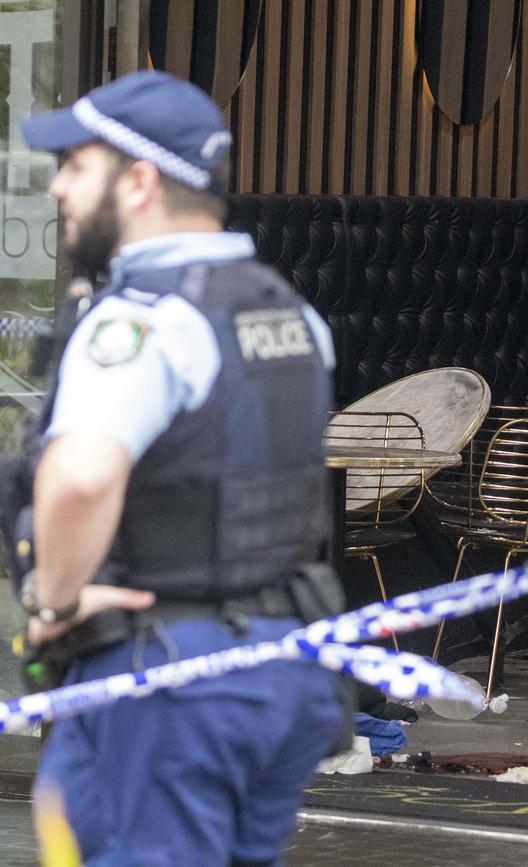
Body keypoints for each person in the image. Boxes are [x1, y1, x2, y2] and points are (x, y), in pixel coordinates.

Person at [18, 70, 348, 866]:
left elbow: (82, 476)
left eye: (77, 164)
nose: (59, 185)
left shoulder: (142, 321)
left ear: (137, 179)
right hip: (285, 671)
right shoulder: (290, 314)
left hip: (169, 685)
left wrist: (53, 598)